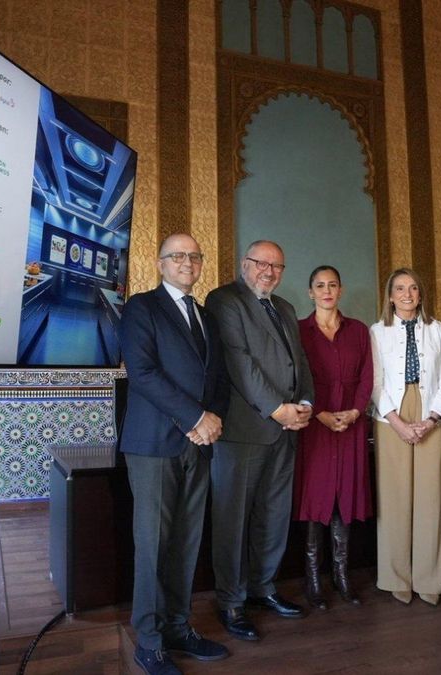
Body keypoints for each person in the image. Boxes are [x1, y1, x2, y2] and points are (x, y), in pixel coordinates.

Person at [119, 233, 232, 674]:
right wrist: (194, 418)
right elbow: (143, 373)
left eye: (194, 256)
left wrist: (213, 419)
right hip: (153, 445)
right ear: (161, 263)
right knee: (153, 543)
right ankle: (148, 642)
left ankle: (177, 628)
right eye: (178, 256)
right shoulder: (140, 308)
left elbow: (219, 378)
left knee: (186, 540)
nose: (187, 262)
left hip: (198, 444)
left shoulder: (205, 316)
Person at [205, 240, 315, 642]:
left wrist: (303, 403)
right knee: (233, 519)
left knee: (273, 515)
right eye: (261, 264)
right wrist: (277, 409)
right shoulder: (224, 300)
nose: (268, 272)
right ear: (243, 264)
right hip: (243, 431)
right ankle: (231, 600)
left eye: (277, 266)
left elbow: (298, 363)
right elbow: (239, 363)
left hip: (286, 431)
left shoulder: (284, 308)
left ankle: (263, 588)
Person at [369, 268, 441, 606]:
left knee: (431, 495)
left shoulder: (436, 329)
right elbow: (374, 382)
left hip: (430, 407)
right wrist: (397, 421)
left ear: (421, 294)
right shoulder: (376, 331)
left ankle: (430, 577)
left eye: (413, 288)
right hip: (391, 413)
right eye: (400, 289)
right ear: (389, 295)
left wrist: (432, 418)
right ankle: (396, 575)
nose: (407, 294)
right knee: (395, 496)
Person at [294, 265, 373, 608]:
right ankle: (313, 580)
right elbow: (295, 380)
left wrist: (355, 412)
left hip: (351, 426)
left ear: (341, 290)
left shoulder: (358, 330)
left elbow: (369, 377)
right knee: (316, 500)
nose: (326, 290)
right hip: (315, 425)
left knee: (344, 500)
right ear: (310, 292)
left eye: (332, 285)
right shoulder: (298, 331)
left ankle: (341, 576)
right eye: (319, 285)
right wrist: (321, 413)